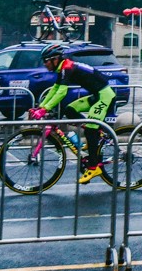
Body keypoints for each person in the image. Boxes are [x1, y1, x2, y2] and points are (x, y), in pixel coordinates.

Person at [30, 43, 117, 184]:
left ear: (55, 59)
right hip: (97, 94)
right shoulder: (63, 68)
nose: (44, 64)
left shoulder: (68, 68)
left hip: (105, 96)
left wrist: (44, 110)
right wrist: (41, 106)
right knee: (70, 110)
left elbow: (62, 92)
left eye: (46, 61)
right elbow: (55, 90)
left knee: (90, 130)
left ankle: (94, 167)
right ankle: (97, 134)